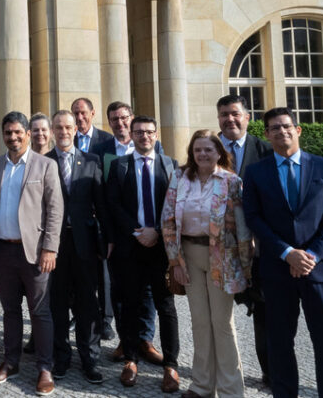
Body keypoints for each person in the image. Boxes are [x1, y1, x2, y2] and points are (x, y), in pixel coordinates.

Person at [241, 107, 323, 398]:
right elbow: (253, 217)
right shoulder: (255, 173)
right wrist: (286, 252)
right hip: (278, 269)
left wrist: (311, 255)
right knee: (279, 341)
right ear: (266, 134)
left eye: (286, 126)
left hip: (320, 269)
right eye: (274, 128)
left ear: (298, 130)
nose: (281, 132)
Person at [161, 130, 252, 398]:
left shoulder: (231, 182)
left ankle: (231, 390)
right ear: (192, 152)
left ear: (219, 153)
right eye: (198, 150)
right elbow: (167, 220)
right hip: (188, 255)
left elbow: (243, 228)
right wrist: (174, 260)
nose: (202, 154)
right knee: (200, 322)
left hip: (222, 258)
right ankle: (201, 386)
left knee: (221, 323)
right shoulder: (179, 178)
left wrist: (245, 267)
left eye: (208, 150)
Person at [0, 111, 63, 397]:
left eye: (18, 132)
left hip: (36, 252)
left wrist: (51, 247)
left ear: (28, 134)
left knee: (40, 311)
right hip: (2, 250)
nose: (12, 137)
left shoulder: (45, 165)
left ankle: (44, 367)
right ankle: (11, 362)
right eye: (8, 133)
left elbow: (55, 210)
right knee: (11, 311)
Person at [106, 115, 182, 392]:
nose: (144, 137)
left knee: (166, 306)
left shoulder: (170, 165)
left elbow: (176, 207)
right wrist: (138, 231)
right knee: (130, 304)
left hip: (161, 248)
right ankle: (131, 359)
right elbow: (113, 204)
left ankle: (171, 365)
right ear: (132, 134)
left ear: (156, 134)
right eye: (139, 132)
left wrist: (157, 233)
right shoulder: (119, 166)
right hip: (131, 246)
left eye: (149, 132)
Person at [215, 93, 274, 386]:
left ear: (248, 117)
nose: (230, 119)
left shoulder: (265, 151)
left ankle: (270, 369)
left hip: (258, 247)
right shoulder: (205, 151)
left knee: (264, 310)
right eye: (224, 114)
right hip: (216, 248)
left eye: (235, 114)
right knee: (218, 313)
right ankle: (219, 371)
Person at [47, 110, 107, 384]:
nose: (63, 132)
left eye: (68, 127)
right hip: (54, 244)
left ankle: (90, 359)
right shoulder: (42, 162)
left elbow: (102, 206)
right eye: (58, 127)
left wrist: (107, 241)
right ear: (52, 130)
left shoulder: (92, 161)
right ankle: (61, 357)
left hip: (84, 243)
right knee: (57, 304)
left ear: (75, 129)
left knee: (87, 304)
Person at [89, 101, 134, 349]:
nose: (120, 123)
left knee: (145, 291)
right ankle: (124, 341)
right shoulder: (101, 149)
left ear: (131, 118)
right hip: (114, 228)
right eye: (114, 119)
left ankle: (144, 339)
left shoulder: (149, 145)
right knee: (115, 284)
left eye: (124, 118)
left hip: (144, 229)